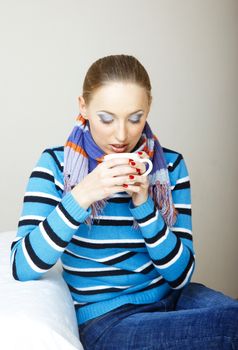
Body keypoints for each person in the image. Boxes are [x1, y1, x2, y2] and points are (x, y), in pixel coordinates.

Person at [10, 54, 238, 350]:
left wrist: (143, 203)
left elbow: (180, 276)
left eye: (135, 118)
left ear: (148, 110)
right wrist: (82, 195)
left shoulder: (169, 167)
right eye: (107, 118)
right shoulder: (55, 164)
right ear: (83, 107)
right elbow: (22, 265)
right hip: (106, 320)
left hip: (173, 297)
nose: (121, 135)